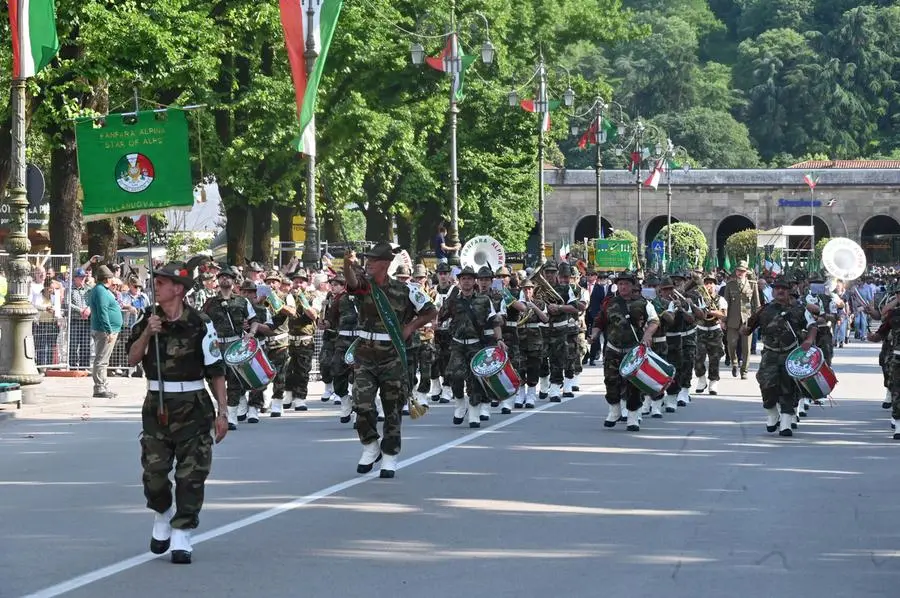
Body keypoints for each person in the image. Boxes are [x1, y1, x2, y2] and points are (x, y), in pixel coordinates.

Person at [127, 262, 228, 565]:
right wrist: (147, 333)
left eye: (162, 282)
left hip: (193, 406)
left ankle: (182, 533)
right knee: (154, 475)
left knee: (191, 474)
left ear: (178, 289)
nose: (155, 286)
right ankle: (162, 513)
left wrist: (223, 412)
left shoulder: (200, 322)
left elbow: (216, 370)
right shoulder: (148, 318)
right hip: (157, 405)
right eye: (155, 282)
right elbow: (131, 358)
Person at [344, 242, 436, 478]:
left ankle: (390, 455)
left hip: (392, 356)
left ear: (384, 264)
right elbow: (353, 283)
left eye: (372, 260)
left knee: (392, 408)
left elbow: (430, 310)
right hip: (365, 354)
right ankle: (370, 445)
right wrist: (347, 263)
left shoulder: (405, 290)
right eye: (366, 260)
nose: (368, 263)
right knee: (362, 403)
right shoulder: (366, 285)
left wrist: (410, 327)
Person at [741, 275, 816, 437]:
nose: (781, 290)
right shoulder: (764, 310)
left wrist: (809, 340)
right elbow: (747, 330)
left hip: (791, 354)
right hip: (770, 353)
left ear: (789, 291)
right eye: (777, 288)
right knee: (766, 385)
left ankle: (786, 424)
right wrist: (744, 326)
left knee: (788, 387)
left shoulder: (799, 308)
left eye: (784, 288)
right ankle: (772, 412)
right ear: (773, 291)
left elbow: (812, 326)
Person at [590, 272, 659, 432]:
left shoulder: (643, 303)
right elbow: (599, 321)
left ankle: (633, 417)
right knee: (611, 381)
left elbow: (654, 320)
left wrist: (648, 334)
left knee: (633, 386)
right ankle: (614, 411)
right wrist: (594, 334)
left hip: (633, 351)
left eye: (626, 284)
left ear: (633, 285)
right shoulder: (610, 303)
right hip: (613, 349)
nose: (623, 287)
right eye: (620, 284)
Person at [201, 266, 258, 428]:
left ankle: (231, 415)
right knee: (213, 378)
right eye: (222, 277)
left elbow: (254, 320)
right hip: (216, 345)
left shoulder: (242, 301)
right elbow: (201, 322)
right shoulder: (210, 303)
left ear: (233, 281)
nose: (225, 279)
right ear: (218, 281)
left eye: (228, 277)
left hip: (235, 344)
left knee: (235, 381)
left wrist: (251, 333)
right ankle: (222, 406)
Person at [89, 266, 124, 398]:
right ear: (107, 279)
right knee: (101, 359)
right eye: (111, 278)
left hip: (105, 329)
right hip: (104, 330)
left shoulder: (100, 290)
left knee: (103, 359)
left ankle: (102, 385)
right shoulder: (101, 291)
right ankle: (99, 387)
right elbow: (103, 311)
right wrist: (108, 330)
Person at [693, 273, 727, 396]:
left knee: (714, 358)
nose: (708, 286)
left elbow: (724, 316)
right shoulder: (699, 299)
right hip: (701, 330)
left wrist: (711, 311)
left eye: (711, 283)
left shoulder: (720, 299)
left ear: (715, 285)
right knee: (698, 358)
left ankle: (713, 381)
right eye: (706, 283)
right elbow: (695, 314)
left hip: (715, 331)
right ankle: (701, 379)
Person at [724, 260, 759, 379]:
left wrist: (755, 322)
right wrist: (723, 320)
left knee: (746, 348)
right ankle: (734, 363)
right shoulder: (730, 285)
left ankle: (744, 370)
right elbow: (725, 304)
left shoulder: (753, 284)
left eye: (743, 271)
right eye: (739, 270)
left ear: (746, 272)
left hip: (747, 320)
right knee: (731, 344)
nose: (740, 273)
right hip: (732, 320)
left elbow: (756, 305)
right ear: (736, 271)